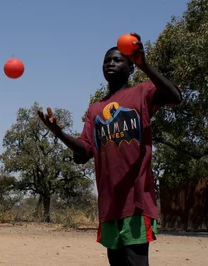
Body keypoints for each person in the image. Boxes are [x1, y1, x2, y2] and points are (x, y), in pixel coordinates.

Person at [38, 33, 182, 266]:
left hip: (136, 200)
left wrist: (145, 65)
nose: (110, 64)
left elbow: (175, 96)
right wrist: (59, 133)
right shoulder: (95, 109)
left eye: (117, 60)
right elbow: (84, 152)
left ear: (130, 67)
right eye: (106, 61)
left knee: (136, 261)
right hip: (109, 203)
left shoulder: (143, 92)